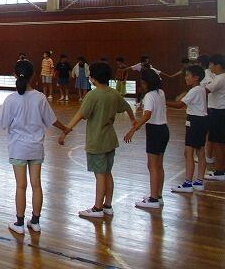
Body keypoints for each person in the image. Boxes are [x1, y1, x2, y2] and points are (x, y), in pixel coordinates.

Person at [0, 60, 70, 234]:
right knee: (36, 185)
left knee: (21, 186)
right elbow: (52, 120)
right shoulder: (40, 97)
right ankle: (35, 222)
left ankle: (19, 224)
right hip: (36, 148)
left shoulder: (11, 100)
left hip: (18, 149)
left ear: (14, 75)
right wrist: (65, 128)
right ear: (33, 75)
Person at [59, 62, 136, 218]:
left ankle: (97, 208)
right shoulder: (114, 93)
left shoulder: (92, 95)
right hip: (110, 140)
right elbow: (127, 107)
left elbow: (81, 114)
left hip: (97, 141)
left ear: (93, 78)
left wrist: (66, 130)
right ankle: (108, 205)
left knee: (100, 175)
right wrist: (133, 121)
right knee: (107, 173)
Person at [124, 69, 169, 208]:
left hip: (155, 131)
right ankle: (158, 195)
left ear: (146, 83)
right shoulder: (161, 92)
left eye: (142, 82)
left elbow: (147, 115)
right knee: (159, 165)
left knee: (152, 165)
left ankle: (153, 199)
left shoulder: (149, 96)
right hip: (164, 129)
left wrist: (133, 129)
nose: (141, 85)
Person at [166, 65, 208, 193]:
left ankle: (188, 183)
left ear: (196, 78)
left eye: (187, 75)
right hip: (202, 121)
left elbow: (179, 105)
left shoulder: (194, 90)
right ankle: (199, 181)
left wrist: (162, 101)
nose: (185, 78)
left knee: (188, 152)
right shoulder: (201, 89)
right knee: (200, 151)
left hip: (194, 121)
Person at [204, 54, 225, 181]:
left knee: (218, 143)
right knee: (218, 141)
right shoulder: (218, 77)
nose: (210, 67)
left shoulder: (220, 78)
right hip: (218, 112)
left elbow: (205, 91)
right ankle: (220, 169)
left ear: (218, 65)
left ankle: (220, 171)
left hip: (218, 113)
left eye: (211, 64)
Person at [197, 54, 215, 164]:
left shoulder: (206, 73)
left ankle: (208, 155)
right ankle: (209, 154)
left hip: (208, 105)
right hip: (209, 104)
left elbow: (210, 85)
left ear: (200, 63)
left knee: (208, 131)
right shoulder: (211, 73)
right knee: (210, 131)